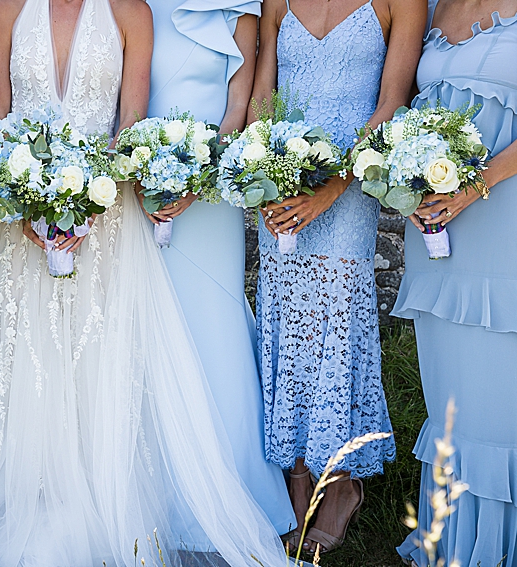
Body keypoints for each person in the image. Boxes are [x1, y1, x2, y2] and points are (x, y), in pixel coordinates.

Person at [0, 0, 290, 565]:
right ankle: (33, 488)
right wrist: (26, 208)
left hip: (105, 222)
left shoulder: (131, 14)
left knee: (99, 359)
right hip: (21, 227)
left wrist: (83, 208)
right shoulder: (7, 11)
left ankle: (102, 494)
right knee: (30, 359)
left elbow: (128, 129)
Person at [250, 0, 426, 554]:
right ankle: (296, 472)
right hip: (281, 182)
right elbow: (261, 96)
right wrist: (260, 168)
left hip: (348, 187)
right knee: (285, 317)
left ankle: (341, 479)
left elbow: (392, 105)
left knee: (334, 322)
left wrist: (332, 188)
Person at [142, 0, 295, 537]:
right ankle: (150, 489)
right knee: (150, 329)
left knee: (215, 325)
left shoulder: (239, 8)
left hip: (209, 191)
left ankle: (234, 486)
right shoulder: (130, 7)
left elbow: (243, 106)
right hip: (141, 191)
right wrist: (144, 173)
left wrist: (199, 173)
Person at [393, 1, 517, 565]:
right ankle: (455, 543)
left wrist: (476, 182)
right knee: (455, 398)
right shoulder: (436, 4)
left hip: (501, 218)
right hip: (439, 234)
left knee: (499, 402)